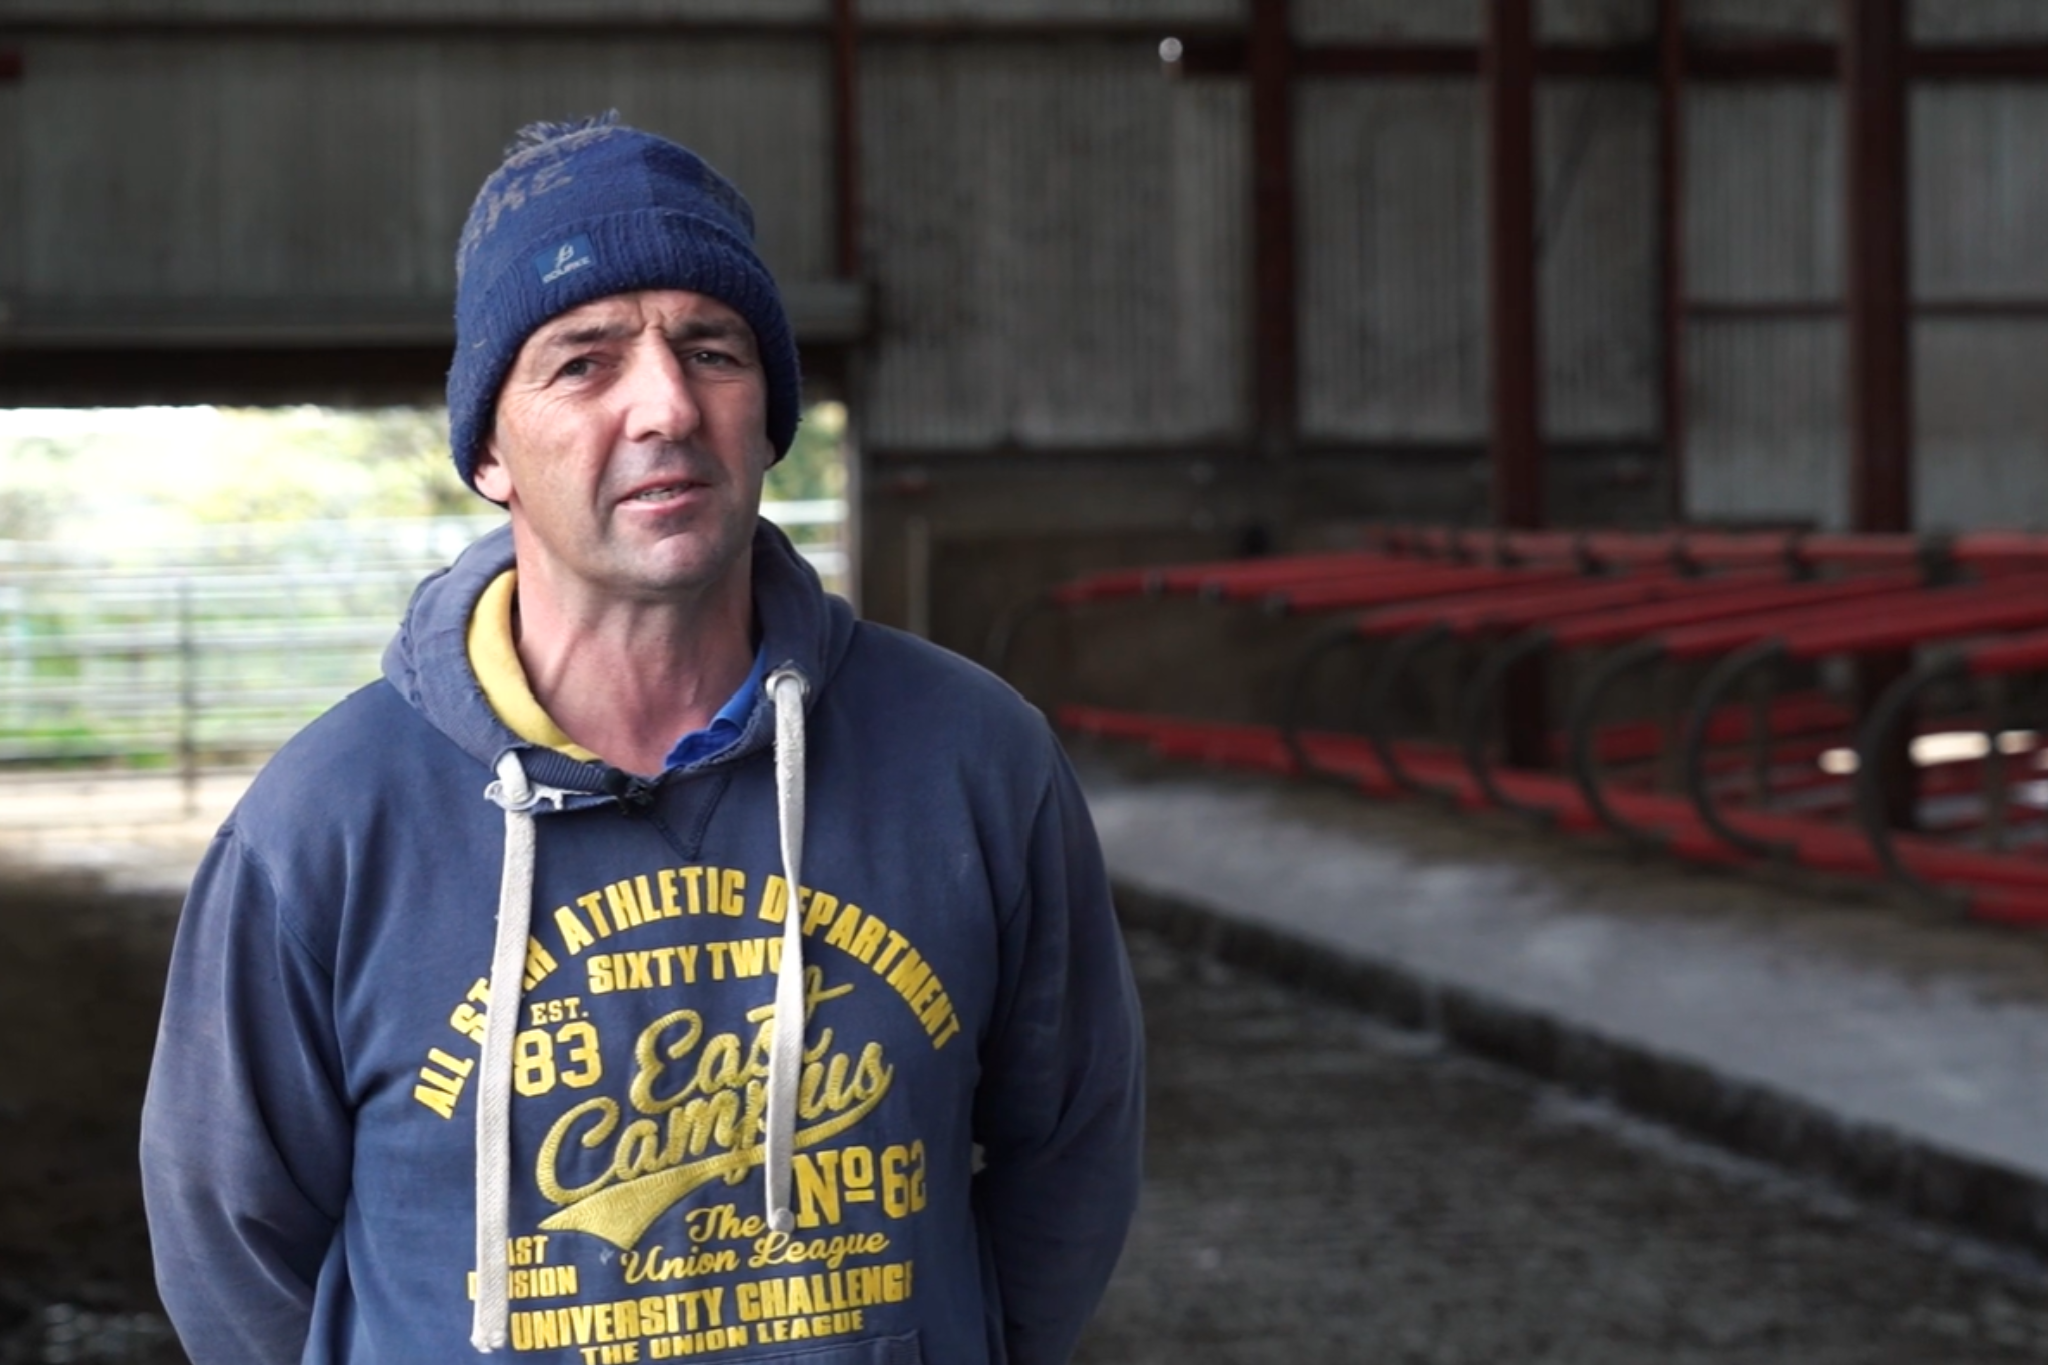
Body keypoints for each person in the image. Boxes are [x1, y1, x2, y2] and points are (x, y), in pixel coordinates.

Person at [140, 114, 1144, 1365]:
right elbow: (229, 1248)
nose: (667, 404)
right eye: (584, 363)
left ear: (767, 416)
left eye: (712, 351)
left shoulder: (974, 762)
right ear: (489, 450)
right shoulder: (325, 825)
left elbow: (1070, 1156)